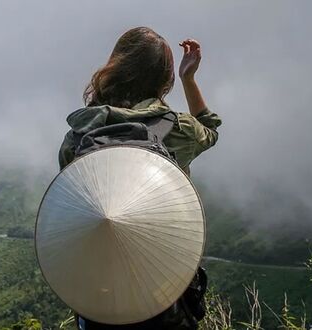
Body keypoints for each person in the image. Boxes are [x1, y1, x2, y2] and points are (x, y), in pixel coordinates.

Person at [57, 26, 222, 329]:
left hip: (101, 292)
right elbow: (209, 128)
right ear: (164, 79)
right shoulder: (180, 130)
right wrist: (189, 78)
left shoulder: (80, 134)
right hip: (163, 286)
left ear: (116, 66)